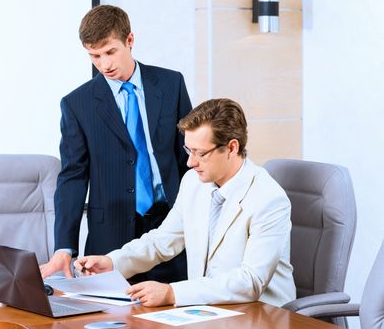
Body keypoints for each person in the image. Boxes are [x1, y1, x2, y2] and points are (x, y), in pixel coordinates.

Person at [74, 98, 297, 307]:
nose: (190, 162)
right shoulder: (194, 182)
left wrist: (172, 293)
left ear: (232, 147)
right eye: (188, 150)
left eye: (200, 153)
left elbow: (250, 281)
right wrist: (113, 262)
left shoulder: (268, 199)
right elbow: (164, 241)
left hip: (260, 313)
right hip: (208, 310)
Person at [40, 5, 192, 283]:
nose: (104, 64)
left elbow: (190, 159)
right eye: (94, 56)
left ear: (130, 41)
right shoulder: (77, 104)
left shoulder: (171, 84)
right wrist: (64, 246)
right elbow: (73, 176)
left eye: (110, 52)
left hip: (170, 227)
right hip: (109, 237)